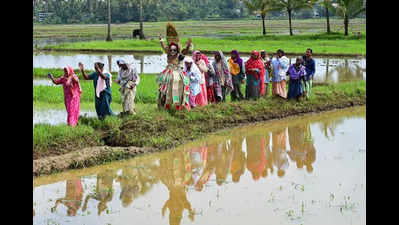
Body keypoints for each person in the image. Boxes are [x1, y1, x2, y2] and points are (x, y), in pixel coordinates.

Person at [157, 23, 192, 111]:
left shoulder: (180, 55)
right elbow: (163, 47)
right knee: (164, 86)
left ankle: (180, 104)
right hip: (168, 72)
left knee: (183, 84)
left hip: (178, 72)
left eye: (174, 50)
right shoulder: (168, 54)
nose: (172, 51)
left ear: (177, 50)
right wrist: (161, 40)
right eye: (171, 50)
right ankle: (164, 104)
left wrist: (188, 46)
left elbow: (185, 51)